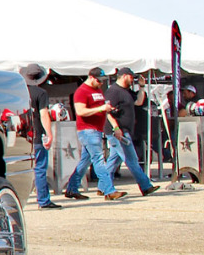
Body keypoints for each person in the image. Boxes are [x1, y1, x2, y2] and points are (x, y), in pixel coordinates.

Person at [62, 68, 127, 201]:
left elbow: (102, 108)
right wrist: (101, 108)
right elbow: (80, 111)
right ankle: (109, 190)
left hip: (96, 129)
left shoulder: (97, 90)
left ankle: (72, 189)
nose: (101, 83)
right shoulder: (81, 91)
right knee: (98, 159)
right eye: (99, 80)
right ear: (91, 77)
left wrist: (109, 114)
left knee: (85, 161)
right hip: (87, 130)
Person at [104, 68, 158, 196]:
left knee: (113, 161)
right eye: (131, 77)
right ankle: (145, 186)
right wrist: (116, 128)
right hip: (117, 131)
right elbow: (107, 112)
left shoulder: (126, 91)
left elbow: (139, 102)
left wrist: (142, 87)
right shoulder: (113, 91)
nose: (132, 79)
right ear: (124, 76)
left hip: (125, 130)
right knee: (131, 159)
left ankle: (103, 186)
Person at [21, 64, 61, 209]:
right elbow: (44, 114)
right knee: (40, 168)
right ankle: (43, 200)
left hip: (21, 133)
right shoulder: (41, 93)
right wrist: (49, 133)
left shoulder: (19, 92)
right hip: (36, 133)